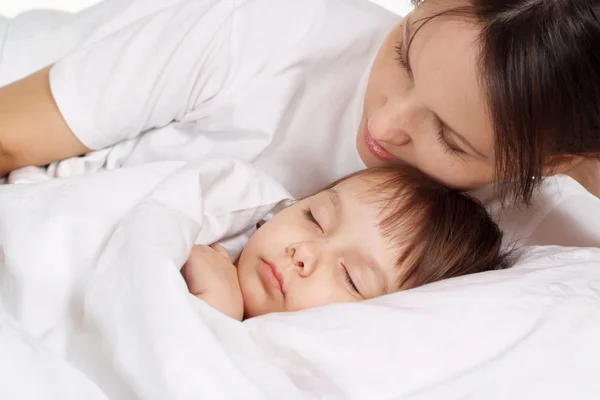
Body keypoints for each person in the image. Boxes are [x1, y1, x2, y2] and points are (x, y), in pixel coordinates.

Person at [0, 0, 599, 202]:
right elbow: (11, 132)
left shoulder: (545, 214)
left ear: (550, 163)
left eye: (450, 137)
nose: (385, 124)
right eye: (403, 57)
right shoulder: (260, 29)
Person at [181, 166, 514, 320]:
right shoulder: (205, 217)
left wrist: (213, 317)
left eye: (351, 277)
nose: (304, 252)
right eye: (314, 217)